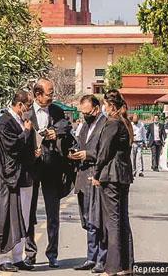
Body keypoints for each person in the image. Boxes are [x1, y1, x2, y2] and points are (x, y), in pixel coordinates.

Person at [24, 78, 75, 269]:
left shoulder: (56, 110)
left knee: (53, 214)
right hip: (32, 168)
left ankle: (52, 253)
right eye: (49, 93)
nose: (52, 96)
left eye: (53, 93)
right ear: (38, 95)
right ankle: (30, 252)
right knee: (28, 213)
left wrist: (55, 131)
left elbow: (66, 125)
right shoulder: (27, 112)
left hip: (53, 167)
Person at [0, 90, 37, 273]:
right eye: (28, 105)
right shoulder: (5, 123)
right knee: (7, 217)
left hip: (24, 177)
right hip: (8, 179)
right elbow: (11, 148)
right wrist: (25, 133)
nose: (29, 109)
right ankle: (4, 258)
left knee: (23, 218)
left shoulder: (20, 121)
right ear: (19, 105)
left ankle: (18, 257)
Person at [92, 90, 134, 276]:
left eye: (105, 105)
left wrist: (96, 173)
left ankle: (113, 268)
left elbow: (104, 152)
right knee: (122, 219)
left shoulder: (113, 123)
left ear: (111, 107)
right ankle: (126, 265)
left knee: (113, 221)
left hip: (112, 175)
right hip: (123, 175)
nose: (104, 108)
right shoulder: (124, 123)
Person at [68, 95, 108, 273]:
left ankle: (101, 258)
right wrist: (75, 153)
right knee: (87, 221)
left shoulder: (105, 124)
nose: (85, 116)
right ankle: (91, 257)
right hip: (83, 176)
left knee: (97, 220)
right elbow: (80, 143)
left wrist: (88, 155)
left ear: (96, 109)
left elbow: (104, 151)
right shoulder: (84, 125)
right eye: (82, 113)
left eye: (87, 112)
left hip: (96, 176)